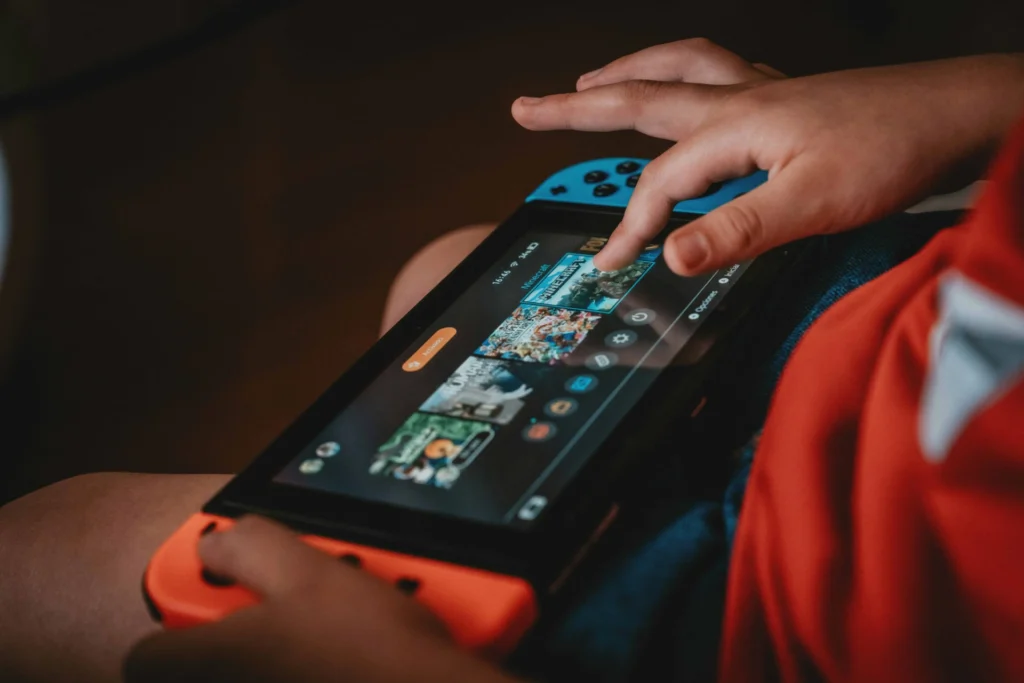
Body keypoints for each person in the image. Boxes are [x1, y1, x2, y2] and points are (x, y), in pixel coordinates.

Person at [0, 39, 1022, 683]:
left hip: (791, 630)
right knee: (451, 274)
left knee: (34, 555)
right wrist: (971, 100)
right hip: (906, 348)